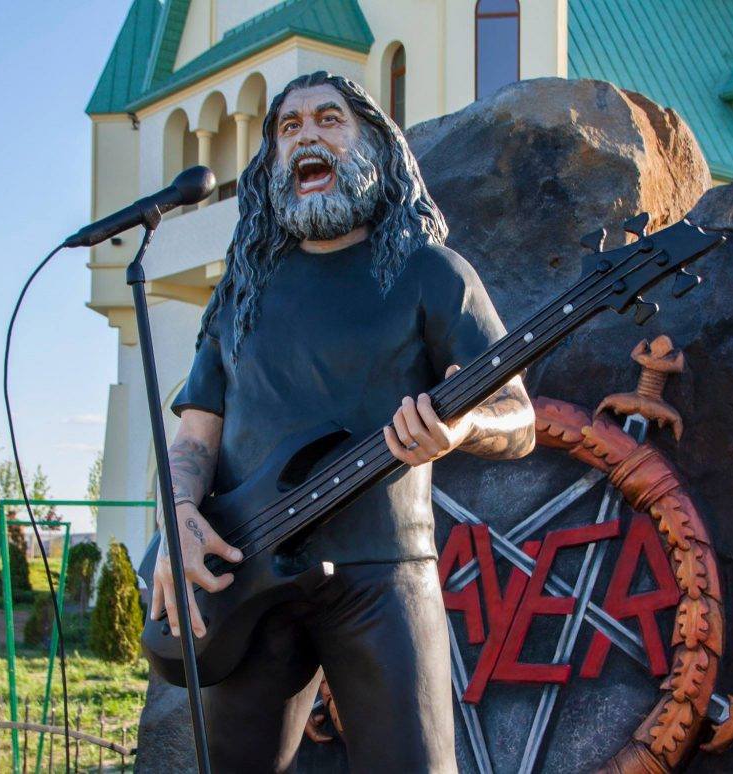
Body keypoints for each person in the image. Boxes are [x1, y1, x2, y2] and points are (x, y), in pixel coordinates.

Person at [148, 70, 535, 772]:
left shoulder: (431, 272)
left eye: (329, 120)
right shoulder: (241, 292)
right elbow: (195, 433)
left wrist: (459, 430)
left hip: (385, 575)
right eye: (288, 128)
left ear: (376, 148)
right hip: (247, 572)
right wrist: (174, 511)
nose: (306, 137)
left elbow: (519, 416)